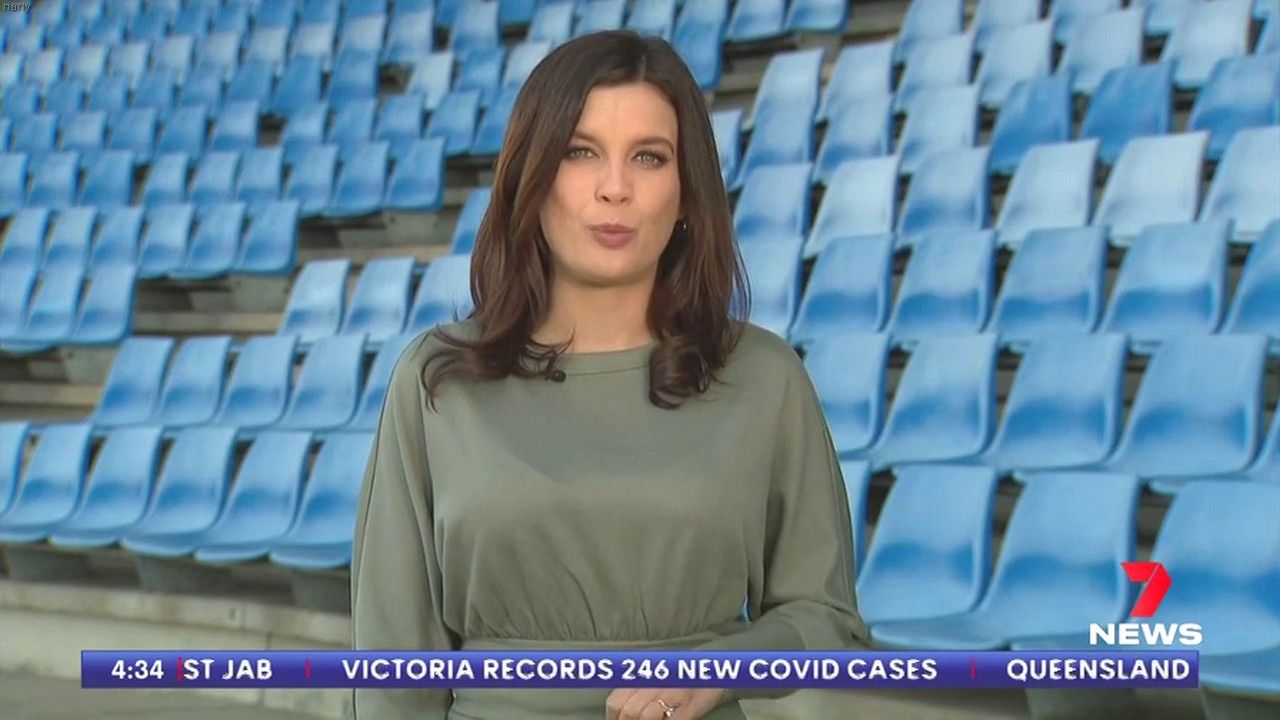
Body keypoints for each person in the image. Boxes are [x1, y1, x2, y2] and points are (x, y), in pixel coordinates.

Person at [350, 30, 870, 720]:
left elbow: (824, 615)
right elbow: (392, 662)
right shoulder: (435, 381)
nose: (615, 188)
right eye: (580, 152)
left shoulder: (765, 377)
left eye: (649, 157)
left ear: (686, 193)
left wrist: (719, 668)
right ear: (533, 178)